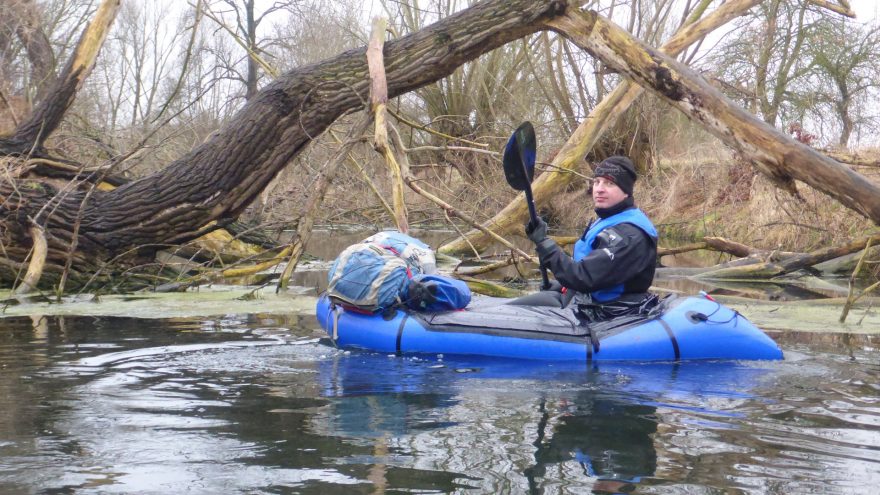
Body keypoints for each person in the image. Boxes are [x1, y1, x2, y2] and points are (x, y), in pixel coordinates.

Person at [513, 156, 658, 318]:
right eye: (597, 182)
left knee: (517, 312)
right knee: (518, 307)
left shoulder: (628, 234)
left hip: (610, 312)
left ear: (626, 192)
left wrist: (544, 243)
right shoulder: (610, 218)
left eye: (610, 183)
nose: (599, 189)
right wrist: (562, 284)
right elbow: (588, 267)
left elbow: (583, 276)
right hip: (590, 298)